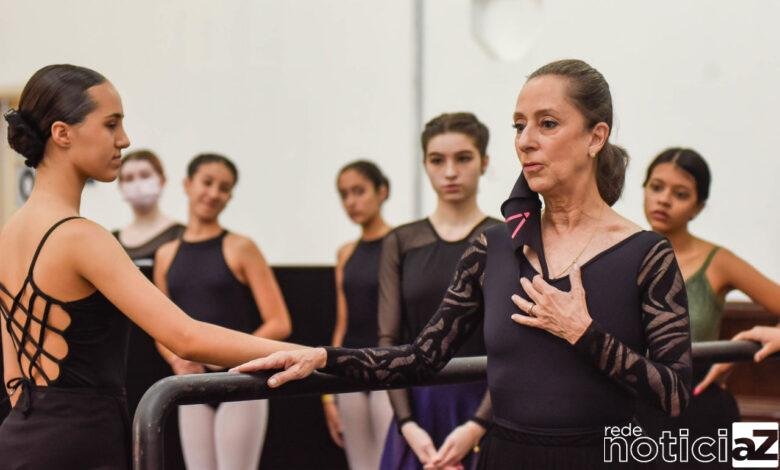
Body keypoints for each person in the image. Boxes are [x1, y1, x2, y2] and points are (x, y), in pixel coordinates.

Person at [233, 59, 693, 470]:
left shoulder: (645, 253)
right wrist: (323, 358)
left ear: (596, 136)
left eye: (547, 124)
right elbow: (421, 357)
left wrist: (583, 333)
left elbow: (673, 393)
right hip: (505, 456)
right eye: (518, 126)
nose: (526, 141)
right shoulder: (492, 248)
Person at [0, 64, 301, 469]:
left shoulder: (8, 233)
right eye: (111, 124)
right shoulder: (81, 237)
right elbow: (185, 336)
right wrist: (313, 355)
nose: (124, 140)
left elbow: (14, 379)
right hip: (82, 441)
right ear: (62, 133)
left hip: (20, 439)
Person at [638, 148, 780, 467]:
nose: (663, 200)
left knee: (758, 461)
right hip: (633, 408)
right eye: (656, 187)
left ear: (698, 208)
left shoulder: (719, 262)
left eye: (681, 194)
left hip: (702, 404)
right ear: (644, 189)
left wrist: (747, 347)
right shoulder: (620, 251)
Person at [374, 112, 500, 470]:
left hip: (488, 408)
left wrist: (477, 425)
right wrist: (407, 424)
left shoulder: (506, 241)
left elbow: (516, 345)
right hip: (416, 410)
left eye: (463, 158)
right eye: (437, 160)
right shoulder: (400, 242)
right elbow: (389, 338)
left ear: (484, 162)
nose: (449, 172)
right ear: (424, 164)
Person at [154, 153, 292, 470]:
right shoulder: (166, 255)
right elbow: (161, 326)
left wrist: (226, 355)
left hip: (240, 379)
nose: (214, 193)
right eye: (207, 183)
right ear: (188, 185)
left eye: (224, 188)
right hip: (191, 380)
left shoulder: (241, 247)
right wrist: (177, 358)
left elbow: (279, 322)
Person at [113, 149, 187, 469]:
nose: (136, 184)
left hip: (169, 351)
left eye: (144, 175)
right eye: (128, 178)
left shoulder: (181, 237)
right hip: (121, 354)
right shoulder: (110, 240)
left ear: (162, 180)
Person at [322, 160, 394, 469]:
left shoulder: (402, 243)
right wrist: (327, 395)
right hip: (350, 370)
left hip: (390, 369)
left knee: (391, 461)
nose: (352, 202)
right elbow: (343, 322)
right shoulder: (345, 252)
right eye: (344, 195)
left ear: (382, 191)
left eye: (359, 191)